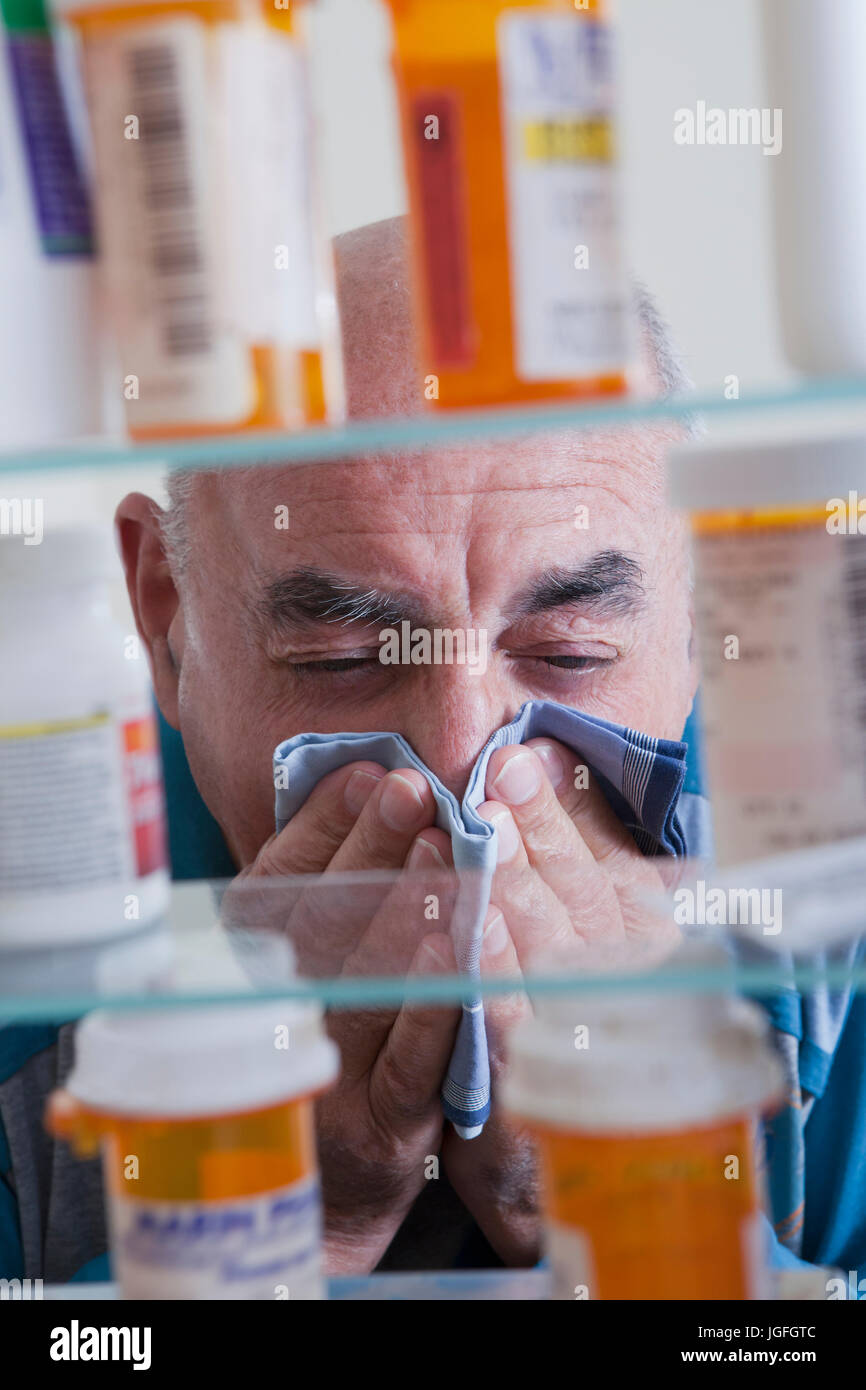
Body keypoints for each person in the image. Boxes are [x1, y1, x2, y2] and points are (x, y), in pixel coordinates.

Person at [1, 218, 862, 1285]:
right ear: (168, 621)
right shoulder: (34, 938)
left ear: (700, 616)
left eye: (568, 650)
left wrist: (635, 1219)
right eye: (341, 654)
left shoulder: (832, 922)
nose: (463, 761)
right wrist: (277, 1234)